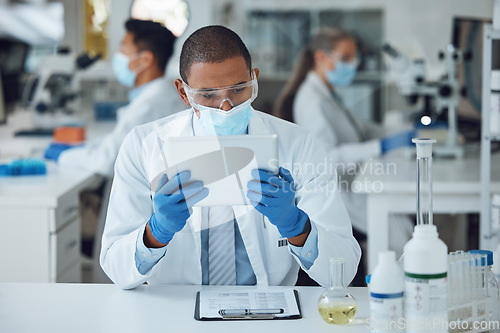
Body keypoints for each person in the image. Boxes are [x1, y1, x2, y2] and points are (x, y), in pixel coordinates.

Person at [100, 25, 361, 289]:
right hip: (174, 312)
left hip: (268, 313)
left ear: (254, 79)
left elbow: (342, 270)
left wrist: (296, 225)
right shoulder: (143, 146)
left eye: (238, 90)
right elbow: (116, 268)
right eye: (208, 95)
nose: (225, 107)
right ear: (183, 93)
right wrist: (155, 233)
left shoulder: (299, 145)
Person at [274, 27, 414, 257]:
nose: (354, 64)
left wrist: (402, 133)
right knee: (398, 234)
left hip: (358, 182)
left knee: (403, 227)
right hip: (342, 193)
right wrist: (383, 146)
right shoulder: (310, 101)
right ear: (320, 57)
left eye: (354, 57)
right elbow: (328, 159)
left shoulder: (327, 93)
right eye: (346, 58)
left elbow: (361, 130)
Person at [51, 19, 186, 177]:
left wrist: (62, 156)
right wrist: (82, 147)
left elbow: (107, 161)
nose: (119, 54)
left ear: (145, 60)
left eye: (124, 47)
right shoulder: (161, 95)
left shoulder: (149, 105)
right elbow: (116, 141)